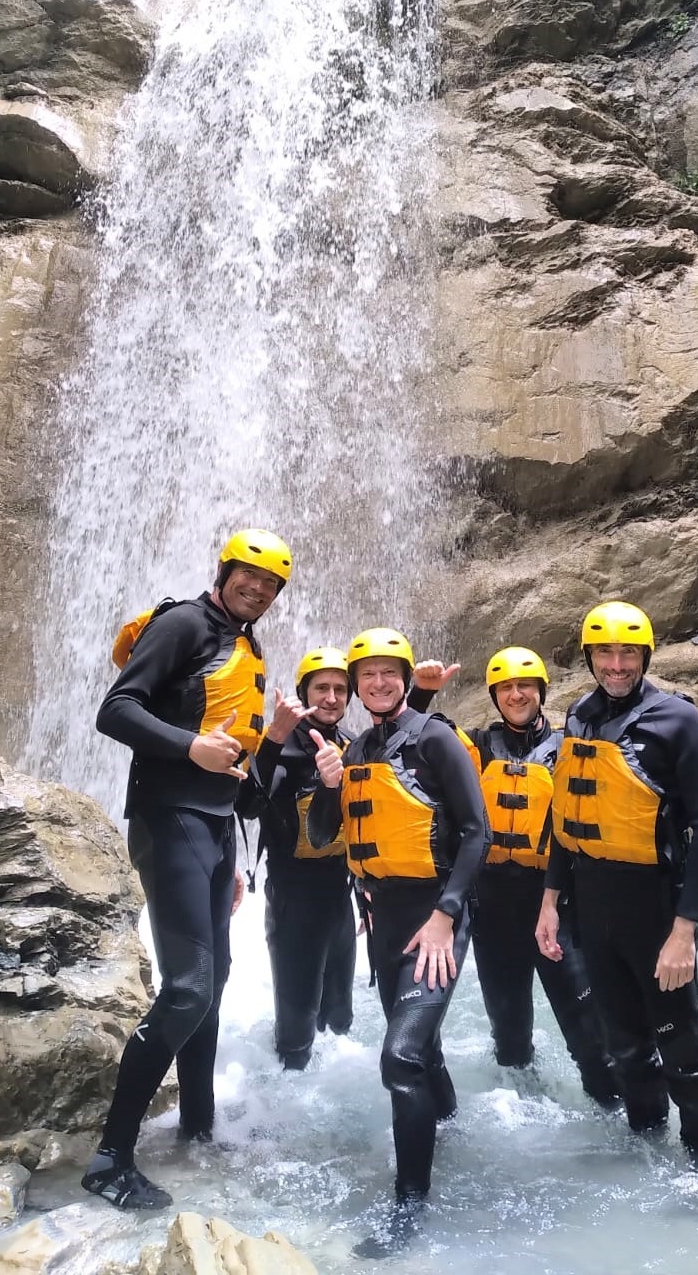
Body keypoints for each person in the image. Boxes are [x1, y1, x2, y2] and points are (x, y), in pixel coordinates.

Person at [80, 527, 302, 1211]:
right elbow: (116, 710)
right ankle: (110, 1161)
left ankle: (198, 1128)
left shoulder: (247, 646)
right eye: (248, 576)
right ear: (225, 571)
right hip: (168, 818)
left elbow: (236, 777)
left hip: (211, 831)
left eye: (269, 584)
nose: (257, 589)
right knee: (186, 989)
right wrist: (188, 748)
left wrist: (230, 847)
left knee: (213, 982)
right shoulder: (184, 623)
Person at [307, 627, 489, 1256]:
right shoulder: (356, 748)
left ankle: (409, 1205)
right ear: (357, 686)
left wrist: (445, 914)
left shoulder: (435, 738)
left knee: (401, 1057)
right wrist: (328, 783)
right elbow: (325, 833)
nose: (379, 683)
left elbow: (477, 832)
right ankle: (448, 1126)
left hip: (437, 914)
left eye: (390, 673)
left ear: (407, 679)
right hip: (385, 916)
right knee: (420, 1047)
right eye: (368, 675)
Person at [536, 600, 698, 1160]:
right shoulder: (578, 716)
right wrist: (549, 902)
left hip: (656, 912)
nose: (616, 665)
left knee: (683, 1056)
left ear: (645, 656)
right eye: (604, 653)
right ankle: (646, 1152)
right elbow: (564, 820)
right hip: (594, 912)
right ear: (589, 656)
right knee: (626, 1049)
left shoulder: (679, 721)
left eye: (627, 653)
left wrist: (683, 931)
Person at [407, 647, 618, 1106]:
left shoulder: (568, 747)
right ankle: (523, 1114)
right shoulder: (477, 746)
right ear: (495, 696)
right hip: (493, 911)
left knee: (591, 1038)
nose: (516, 695)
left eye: (525, 686)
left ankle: (612, 1115)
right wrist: (421, 693)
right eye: (506, 688)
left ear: (541, 692)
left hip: (557, 909)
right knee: (510, 1039)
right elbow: (414, 739)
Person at [239, 646, 357, 1070]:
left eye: (340, 689)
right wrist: (273, 737)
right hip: (293, 901)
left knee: (340, 1021)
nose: (331, 697)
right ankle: (284, 1093)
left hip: (340, 898)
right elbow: (247, 805)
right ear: (303, 692)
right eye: (321, 688)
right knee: (296, 1036)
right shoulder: (281, 747)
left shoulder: (350, 745)